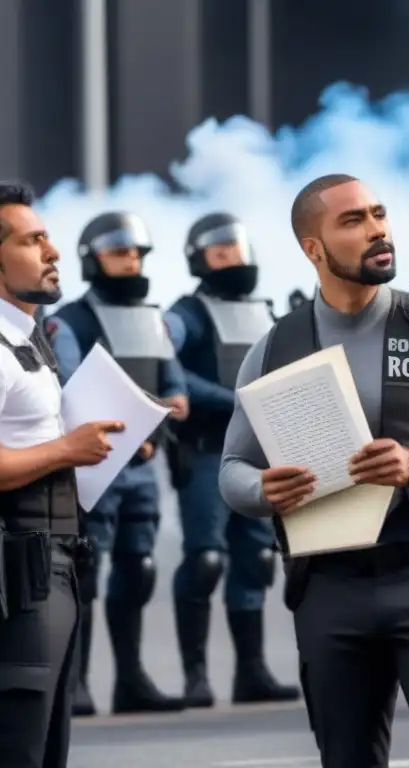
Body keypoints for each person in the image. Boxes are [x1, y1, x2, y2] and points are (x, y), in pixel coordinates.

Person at [219, 174, 409, 767]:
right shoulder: (273, 348)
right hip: (330, 586)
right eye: (353, 221)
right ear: (314, 248)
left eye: (379, 214)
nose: (377, 229)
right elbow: (232, 469)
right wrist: (262, 489)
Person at [0, 180, 125, 767]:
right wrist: (66, 451)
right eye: (33, 240)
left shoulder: (28, 338)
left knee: (49, 747)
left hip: (56, 562)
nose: (52, 251)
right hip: (16, 574)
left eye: (48, 237)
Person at [47, 212, 187, 715]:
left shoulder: (153, 319)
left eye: (136, 253)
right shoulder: (71, 320)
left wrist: (173, 399)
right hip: (99, 466)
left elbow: (174, 383)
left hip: (144, 466)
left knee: (139, 569)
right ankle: (76, 683)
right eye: (119, 252)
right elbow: (68, 386)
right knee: (87, 574)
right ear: (92, 259)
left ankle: (131, 679)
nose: (131, 260)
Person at [164, 213, 299, 707]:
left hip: (263, 456)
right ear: (199, 260)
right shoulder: (186, 314)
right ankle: (195, 676)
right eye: (221, 253)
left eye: (238, 250)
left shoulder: (266, 313)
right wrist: (233, 398)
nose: (234, 260)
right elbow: (165, 363)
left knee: (258, 558)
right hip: (206, 452)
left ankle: (252, 672)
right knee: (205, 559)